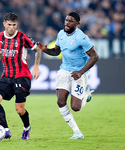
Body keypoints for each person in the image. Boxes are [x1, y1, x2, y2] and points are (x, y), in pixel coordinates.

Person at [38, 11, 99, 139]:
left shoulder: (81, 37)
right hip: (64, 71)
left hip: (78, 73)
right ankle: (77, 132)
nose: (67, 23)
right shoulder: (61, 34)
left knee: (75, 107)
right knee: (60, 101)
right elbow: (56, 51)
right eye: (66, 20)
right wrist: (45, 50)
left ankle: (85, 95)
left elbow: (94, 56)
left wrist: (81, 72)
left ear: (77, 23)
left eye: (71, 21)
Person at [0, 12, 41, 140]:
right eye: (9, 24)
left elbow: (37, 50)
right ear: (4, 24)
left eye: (14, 25)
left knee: (19, 110)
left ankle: (27, 128)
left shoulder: (23, 38)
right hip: (6, 76)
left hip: (21, 76)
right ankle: (6, 130)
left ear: (16, 25)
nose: (11, 27)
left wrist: (36, 66)